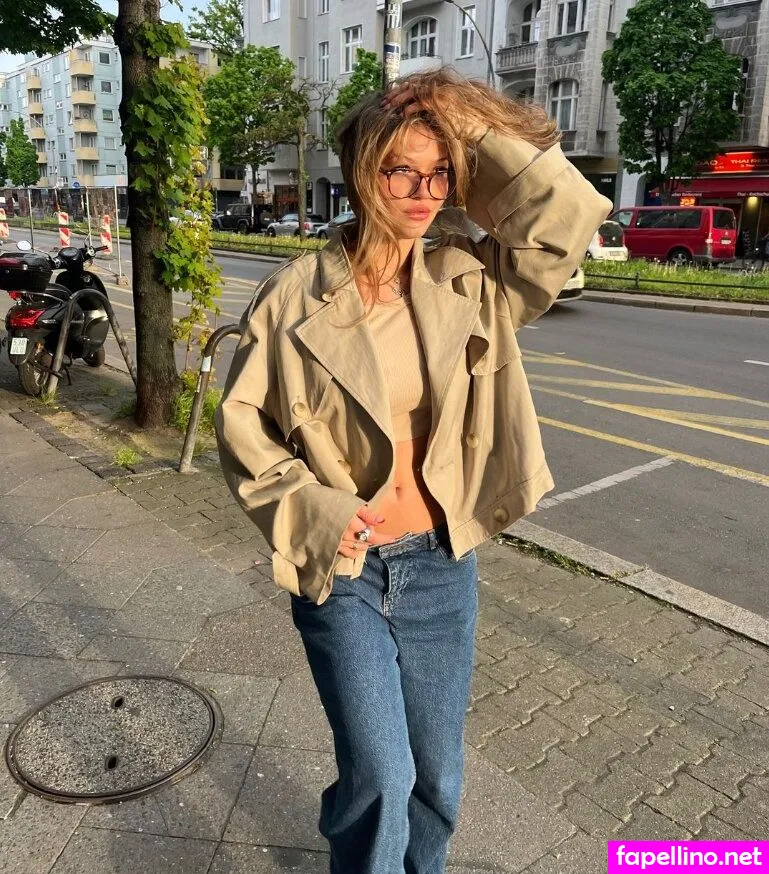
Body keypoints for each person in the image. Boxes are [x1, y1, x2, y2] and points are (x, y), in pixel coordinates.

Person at [216, 69, 611, 874]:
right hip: (346, 567)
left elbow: (562, 216)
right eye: (401, 170)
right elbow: (243, 425)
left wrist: (463, 120)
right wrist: (311, 509)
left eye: (440, 173)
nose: (424, 192)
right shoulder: (293, 297)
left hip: (440, 565)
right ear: (363, 172)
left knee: (436, 777)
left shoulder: (468, 280)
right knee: (380, 775)